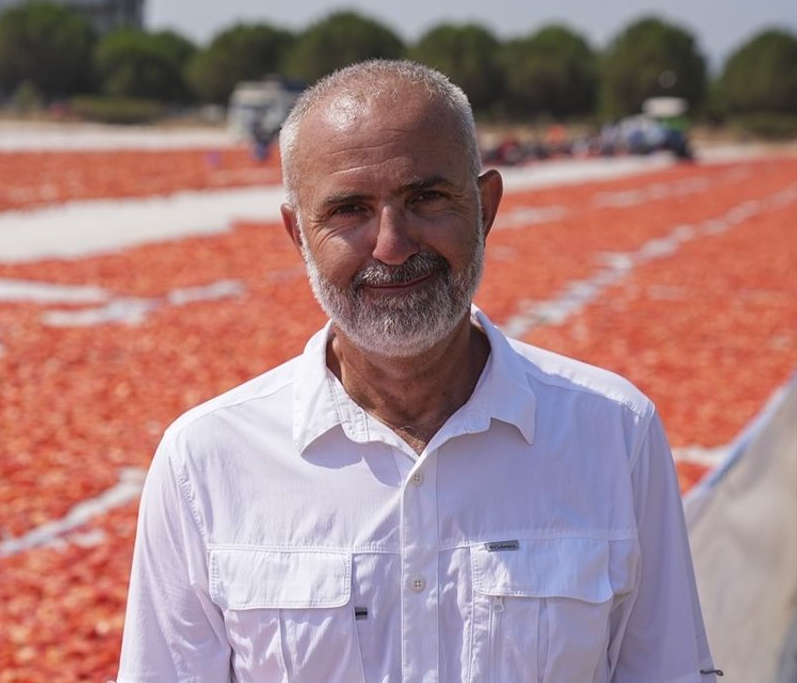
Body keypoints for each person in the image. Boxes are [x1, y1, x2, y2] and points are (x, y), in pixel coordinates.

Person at [115, 60, 718, 682]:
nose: (392, 244)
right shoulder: (206, 460)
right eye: (348, 210)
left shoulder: (613, 433)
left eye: (426, 198)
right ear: (299, 235)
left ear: (485, 208)